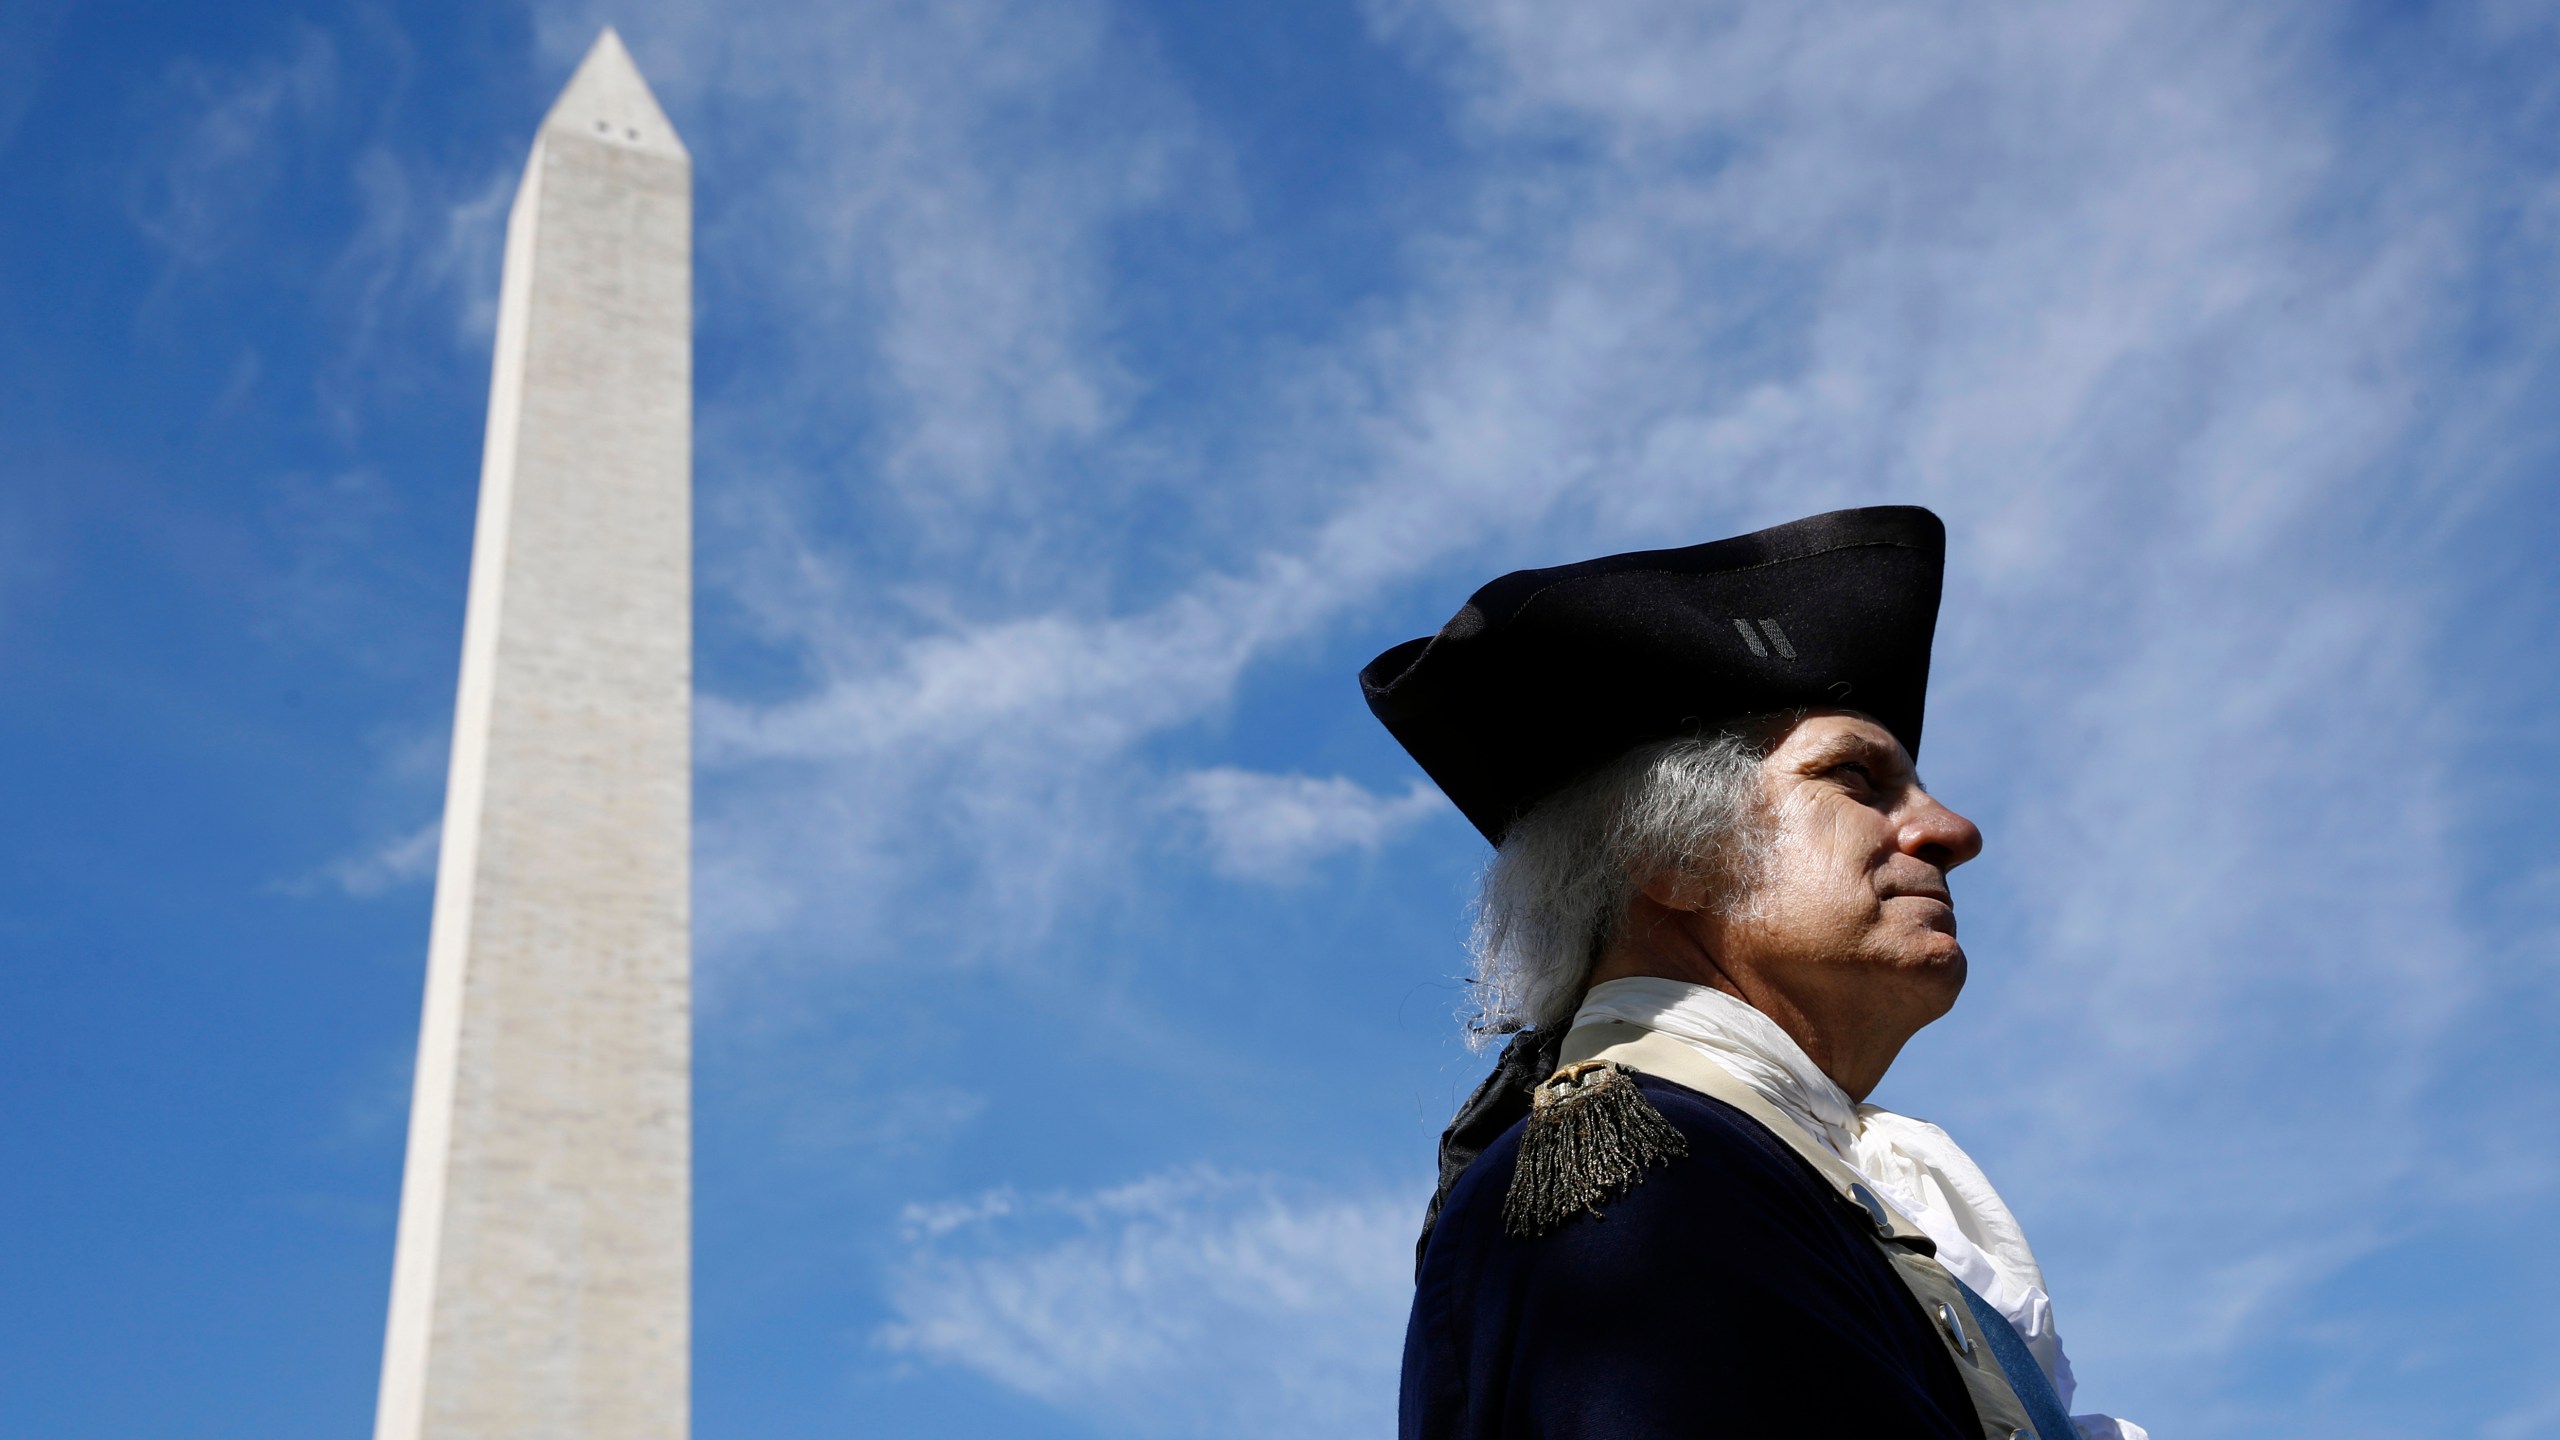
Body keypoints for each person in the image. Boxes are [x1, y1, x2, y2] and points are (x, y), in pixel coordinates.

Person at [1363, 506, 2144, 1440]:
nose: (1950, 831)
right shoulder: (1644, 1189)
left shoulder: (1755, 1177)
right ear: (1673, 856)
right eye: (1858, 780)